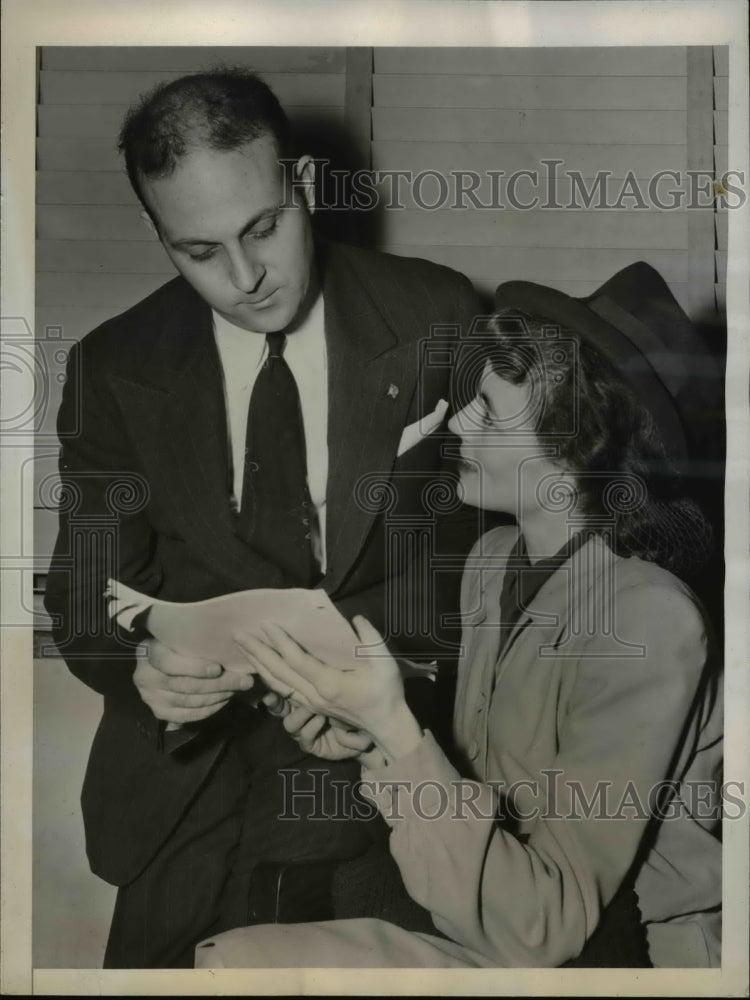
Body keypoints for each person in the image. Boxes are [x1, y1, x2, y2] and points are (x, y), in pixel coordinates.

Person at [44, 68, 485, 968]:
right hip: (194, 791)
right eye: (200, 252)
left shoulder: (436, 315)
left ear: (307, 188)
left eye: (262, 229)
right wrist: (142, 669)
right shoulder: (111, 370)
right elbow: (84, 597)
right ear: (156, 235)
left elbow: (484, 562)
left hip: (391, 771)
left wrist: (395, 689)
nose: (244, 278)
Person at [202, 263, 724, 968]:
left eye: (487, 407)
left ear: (576, 443)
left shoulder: (649, 620)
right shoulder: (492, 560)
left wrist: (394, 725)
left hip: (623, 953)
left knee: (247, 968)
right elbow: (490, 797)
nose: (456, 421)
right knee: (230, 956)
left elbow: (548, 923)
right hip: (496, 910)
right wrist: (372, 740)